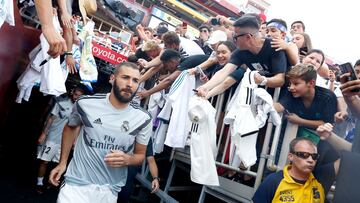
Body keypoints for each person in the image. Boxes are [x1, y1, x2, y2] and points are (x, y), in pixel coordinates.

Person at [49, 62, 152, 203]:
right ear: (112, 78)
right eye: (125, 77)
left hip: (109, 191)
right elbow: (70, 127)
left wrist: (128, 159)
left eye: (135, 80)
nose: (130, 84)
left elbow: (140, 156)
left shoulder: (143, 118)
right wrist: (62, 162)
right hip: (76, 186)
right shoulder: (85, 104)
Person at [197, 15, 287, 98]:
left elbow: (280, 79)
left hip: (285, 98)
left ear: (248, 37)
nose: (233, 40)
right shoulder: (241, 51)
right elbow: (224, 72)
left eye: (235, 37)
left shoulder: (274, 46)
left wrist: (263, 80)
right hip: (261, 95)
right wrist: (205, 88)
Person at [252, 137, 340, 203]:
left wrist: (330, 136)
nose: (310, 160)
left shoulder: (320, 179)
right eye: (304, 155)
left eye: (314, 156)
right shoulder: (274, 181)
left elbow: (347, 158)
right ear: (291, 156)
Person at [36, 87, 85, 194]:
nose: (76, 97)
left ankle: (51, 180)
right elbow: (51, 119)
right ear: (72, 93)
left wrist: (75, 141)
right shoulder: (61, 103)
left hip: (65, 141)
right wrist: (44, 133)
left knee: (58, 163)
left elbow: (78, 127)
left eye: (79, 96)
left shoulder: (81, 109)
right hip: (52, 137)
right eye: (76, 94)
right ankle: (39, 182)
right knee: (44, 161)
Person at [274, 63, 337, 129]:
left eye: (296, 84)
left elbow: (327, 124)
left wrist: (300, 121)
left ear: (311, 83)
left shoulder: (327, 97)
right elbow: (279, 106)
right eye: (290, 83)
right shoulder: (291, 93)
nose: (291, 87)